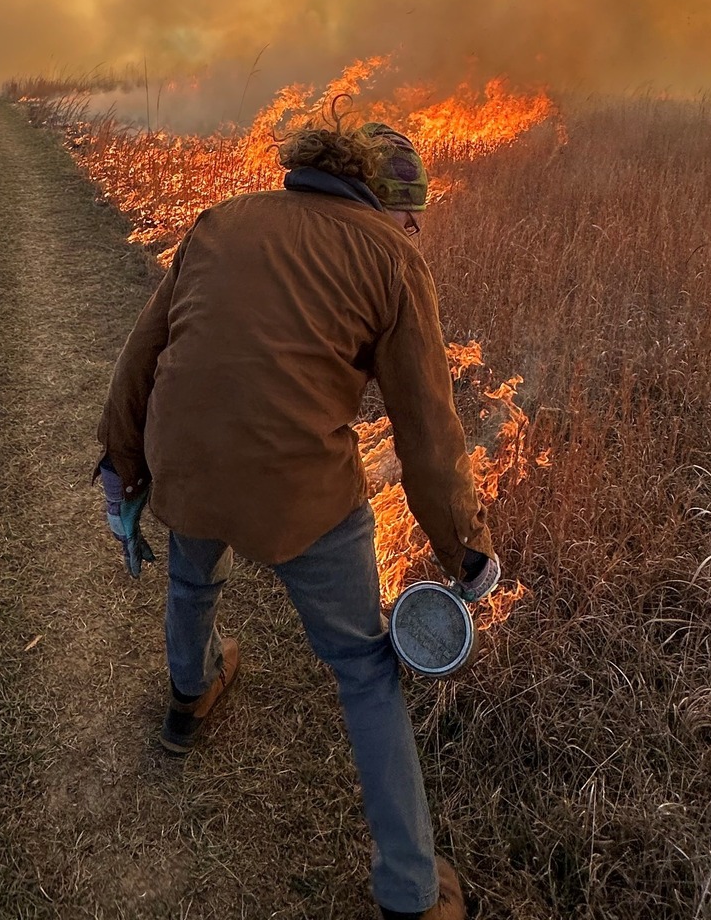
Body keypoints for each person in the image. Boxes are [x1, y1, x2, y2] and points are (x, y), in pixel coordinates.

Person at [95, 118, 500, 920]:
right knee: (364, 667)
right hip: (300, 495)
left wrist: (124, 463)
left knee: (192, 572)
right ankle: (414, 894)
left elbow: (141, 355)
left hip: (189, 463)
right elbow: (427, 428)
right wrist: (466, 548)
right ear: (376, 197)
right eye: (408, 205)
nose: (417, 222)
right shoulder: (392, 260)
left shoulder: (224, 220)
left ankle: (190, 695)